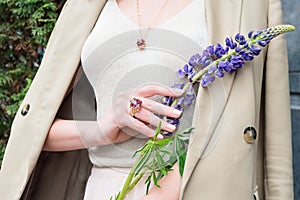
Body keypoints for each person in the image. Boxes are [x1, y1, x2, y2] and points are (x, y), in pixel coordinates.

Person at [0, 0, 294, 199]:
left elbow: (273, 139)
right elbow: (36, 130)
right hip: (103, 187)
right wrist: (105, 127)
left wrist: (175, 184)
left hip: (197, 189)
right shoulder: (86, 6)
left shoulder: (248, 5)